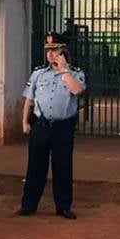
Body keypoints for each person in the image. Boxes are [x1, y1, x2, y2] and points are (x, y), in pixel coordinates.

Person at [18, 33, 86, 219]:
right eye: (48, 50)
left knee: (63, 167)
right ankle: (28, 205)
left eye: (55, 50)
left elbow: (77, 90)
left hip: (62, 127)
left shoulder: (75, 73)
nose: (50, 54)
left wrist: (64, 70)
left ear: (64, 51)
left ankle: (63, 206)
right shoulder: (38, 73)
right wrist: (24, 122)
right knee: (35, 167)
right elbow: (29, 100)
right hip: (40, 126)